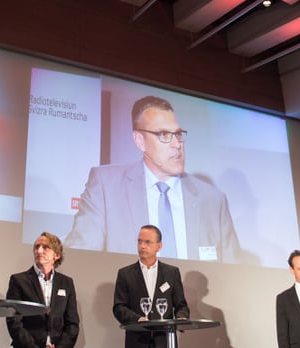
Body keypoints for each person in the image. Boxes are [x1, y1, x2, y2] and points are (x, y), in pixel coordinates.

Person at [66, 95, 239, 262]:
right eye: (164, 134)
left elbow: (231, 274)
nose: (176, 144)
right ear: (140, 140)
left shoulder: (213, 200)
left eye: (178, 134)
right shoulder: (106, 186)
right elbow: (82, 259)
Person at [112, 225, 189, 348]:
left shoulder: (171, 273)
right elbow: (119, 307)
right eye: (139, 241)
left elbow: (181, 305)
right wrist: (137, 319)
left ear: (159, 246)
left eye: (147, 242)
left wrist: (182, 318)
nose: (142, 246)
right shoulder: (125, 274)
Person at [5, 232, 80, 348]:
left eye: (45, 247)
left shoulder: (66, 283)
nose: (39, 250)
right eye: (36, 247)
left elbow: (72, 323)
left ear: (57, 255)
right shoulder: (19, 281)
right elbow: (13, 322)